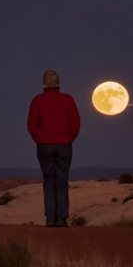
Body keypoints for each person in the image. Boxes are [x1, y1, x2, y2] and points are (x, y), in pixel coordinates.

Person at [27, 69, 81, 227]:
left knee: (49, 181)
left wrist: (39, 138)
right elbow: (76, 124)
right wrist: (69, 138)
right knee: (62, 181)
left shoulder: (38, 101)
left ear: (44, 84)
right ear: (58, 84)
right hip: (64, 144)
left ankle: (50, 218)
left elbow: (31, 125)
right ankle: (62, 218)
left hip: (44, 145)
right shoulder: (67, 100)